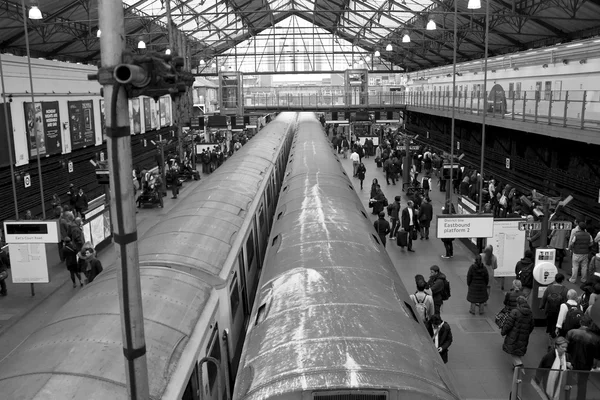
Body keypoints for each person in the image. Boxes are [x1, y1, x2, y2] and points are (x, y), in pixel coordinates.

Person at [566, 314, 600, 400]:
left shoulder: (571, 332)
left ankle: (565, 397)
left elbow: (566, 349)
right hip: (585, 364)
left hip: (571, 362)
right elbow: (597, 355)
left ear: (580, 322)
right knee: (582, 384)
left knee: (567, 382)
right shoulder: (595, 338)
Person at [501, 296, 535, 368]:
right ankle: (515, 366)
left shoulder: (515, 312)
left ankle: (519, 366)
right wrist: (527, 332)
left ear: (518, 303)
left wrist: (503, 332)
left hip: (513, 335)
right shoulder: (530, 313)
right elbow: (532, 325)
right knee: (518, 350)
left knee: (513, 351)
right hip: (524, 336)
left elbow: (508, 324)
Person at [540, 273, 568, 349]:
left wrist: (542, 306)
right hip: (559, 311)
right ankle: (556, 343)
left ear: (555, 279)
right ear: (562, 280)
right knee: (557, 326)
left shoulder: (549, 288)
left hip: (549, 310)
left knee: (550, 326)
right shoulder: (565, 290)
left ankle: (550, 343)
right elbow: (566, 301)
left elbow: (544, 298)